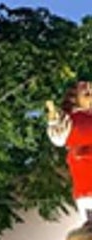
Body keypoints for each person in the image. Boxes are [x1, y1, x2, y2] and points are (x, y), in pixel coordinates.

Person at [47, 80, 92, 225]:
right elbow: (58, 137)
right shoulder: (71, 121)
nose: (90, 95)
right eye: (86, 93)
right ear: (74, 97)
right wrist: (54, 120)